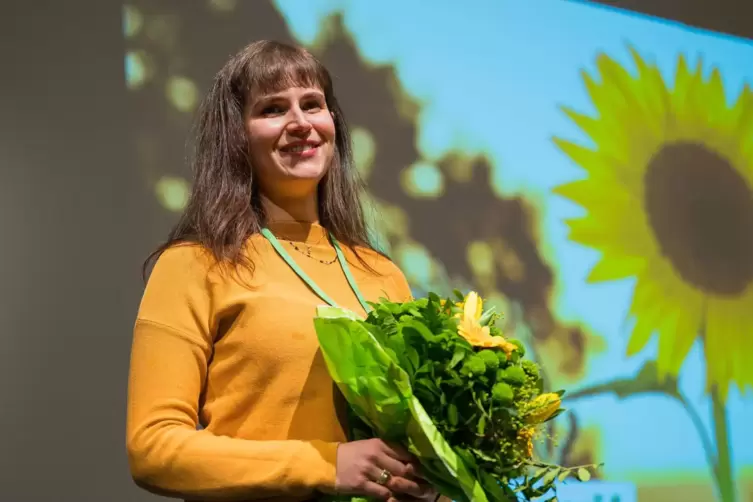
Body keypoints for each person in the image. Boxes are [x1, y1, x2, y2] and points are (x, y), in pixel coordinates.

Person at [125, 40, 440, 502]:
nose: (300, 123)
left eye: (312, 104)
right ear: (237, 136)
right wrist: (323, 465)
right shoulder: (194, 263)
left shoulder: (382, 274)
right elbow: (152, 447)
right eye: (273, 109)